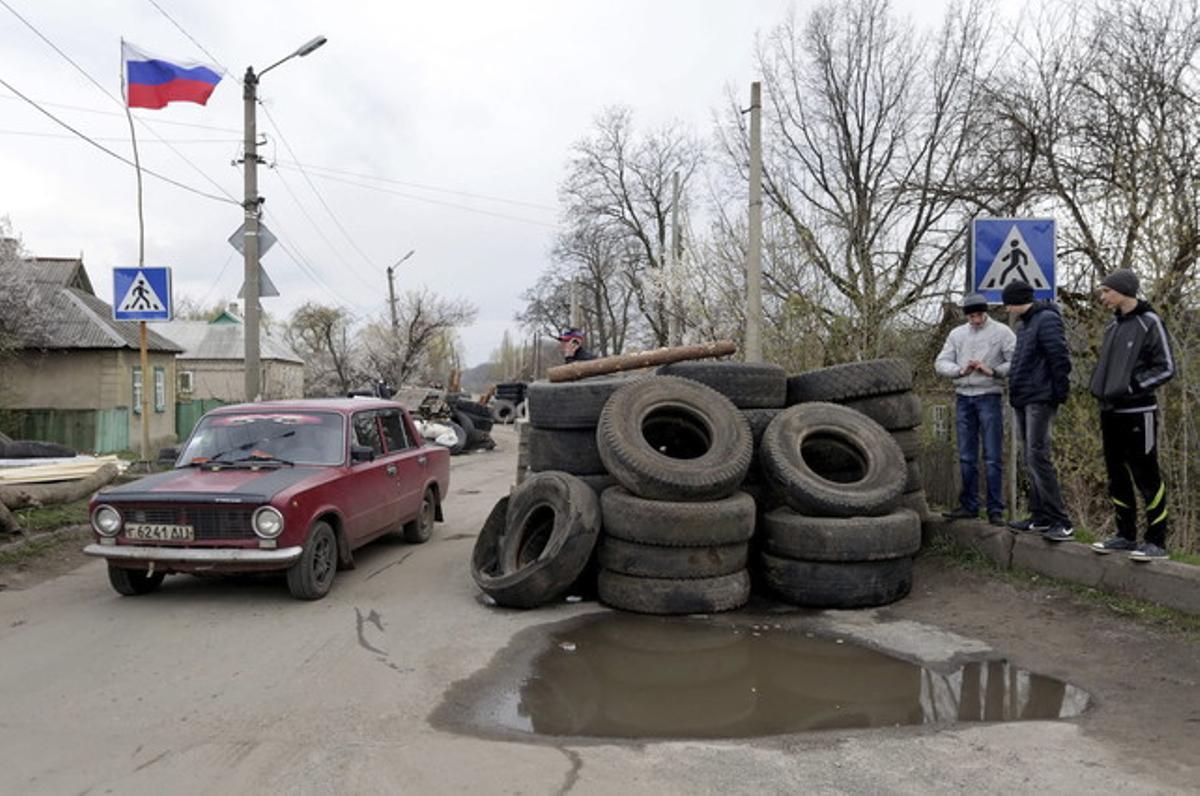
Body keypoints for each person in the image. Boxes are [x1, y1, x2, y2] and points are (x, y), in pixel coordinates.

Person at [1087, 269, 1175, 561]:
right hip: (1110, 413)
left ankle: (1156, 542)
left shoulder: (1149, 322)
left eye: (1106, 291)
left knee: (1146, 475)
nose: (1102, 297)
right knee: (1116, 475)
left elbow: (1165, 368)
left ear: (1123, 291)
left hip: (1140, 413)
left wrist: (1133, 387)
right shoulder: (1112, 327)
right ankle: (1125, 536)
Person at [935, 293, 1016, 525]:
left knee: (992, 456)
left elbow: (1017, 359)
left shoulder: (1002, 332)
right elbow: (941, 362)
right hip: (963, 396)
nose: (975, 320)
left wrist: (993, 370)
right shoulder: (957, 334)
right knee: (966, 456)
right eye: (971, 316)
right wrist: (959, 371)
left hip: (989, 395)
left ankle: (995, 509)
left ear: (985, 313)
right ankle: (968, 504)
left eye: (979, 315)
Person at [1002, 280, 1074, 541]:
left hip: (1041, 398)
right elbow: (1021, 362)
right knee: (1028, 459)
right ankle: (1040, 516)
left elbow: (1059, 357)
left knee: (1038, 457)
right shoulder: (1025, 325)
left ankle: (1060, 520)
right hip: (1024, 398)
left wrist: (1059, 392)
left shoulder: (1046, 320)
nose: (1007, 308)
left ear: (1019, 300)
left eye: (1009, 302)